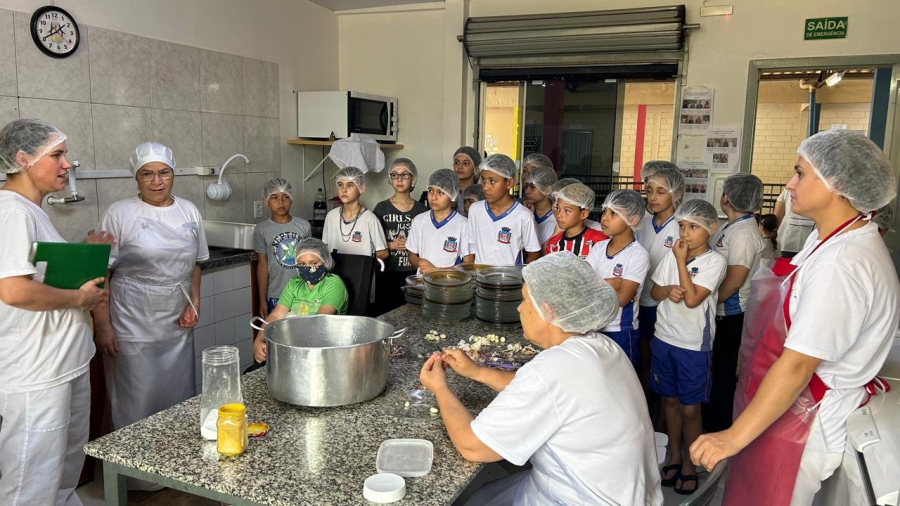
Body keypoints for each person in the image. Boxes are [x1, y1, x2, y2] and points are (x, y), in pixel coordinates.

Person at [690, 130, 900, 505]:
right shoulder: (830, 242)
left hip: (801, 423)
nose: (789, 184)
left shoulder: (842, 263)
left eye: (800, 173)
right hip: (780, 410)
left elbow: (799, 364)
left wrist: (733, 436)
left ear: (836, 182)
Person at [419, 251, 663, 505]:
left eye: (525, 299)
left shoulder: (554, 368)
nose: (519, 307)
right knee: (481, 496)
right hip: (617, 491)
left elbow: (472, 446)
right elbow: (537, 389)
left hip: (583, 498)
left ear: (547, 311)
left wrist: (440, 389)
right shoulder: (602, 345)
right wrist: (477, 372)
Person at [0, 119, 111, 506]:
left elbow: (40, 273)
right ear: (23, 159)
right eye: (58, 156)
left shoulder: (33, 211)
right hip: (36, 372)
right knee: (31, 480)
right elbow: (13, 290)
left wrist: (84, 252)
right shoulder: (11, 211)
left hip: (63, 363)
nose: (67, 164)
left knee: (62, 473)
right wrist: (79, 300)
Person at [93, 141, 208, 490]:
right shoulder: (120, 213)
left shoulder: (189, 211)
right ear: (137, 178)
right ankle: (133, 479)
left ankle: (173, 468)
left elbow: (197, 262)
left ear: (174, 175)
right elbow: (102, 272)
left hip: (175, 317)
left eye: (163, 173)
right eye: (147, 174)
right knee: (134, 397)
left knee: (176, 394)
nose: (156, 181)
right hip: (131, 316)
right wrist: (103, 325)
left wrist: (195, 301)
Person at [651, 199, 727, 495]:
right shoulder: (673, 255)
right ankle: (674, 455)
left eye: (693, 226)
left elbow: (694, 299)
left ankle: (689, 464)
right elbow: (655, 291)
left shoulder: (714, 262)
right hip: (664, 338)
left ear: (711, 229)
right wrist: (668, 290)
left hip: (692, 345)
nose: (685, 232)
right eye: (682, 225)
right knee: (669, 402)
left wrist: (681, 262)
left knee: (690, 408)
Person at [704, 173, 767, 434]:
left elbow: (736, 277)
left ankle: (718, 426)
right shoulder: (734, 226)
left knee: (722, 371)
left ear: (726, 197)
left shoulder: (743, 233)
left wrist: (707, 302)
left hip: (729, 314)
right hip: (719, 310)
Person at [253, 238, 348, 362]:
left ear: (326, 262)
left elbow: (319, 321)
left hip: (323, 351)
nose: (308, 268)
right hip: (292, 346)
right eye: (302, 264)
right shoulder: (294, 283)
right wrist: (259, 340)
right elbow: (276, 315)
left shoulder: (334, 284)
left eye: (314, 263)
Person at [586, 189, 649, 370]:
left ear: (633, 220)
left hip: (620, 330)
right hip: (595, 327)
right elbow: (581, 284)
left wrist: (595, 283)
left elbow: (622, 299)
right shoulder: (599, 247)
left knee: (624, 383)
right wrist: (613, 282)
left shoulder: (638, 255)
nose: (604, 218)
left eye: (613, 213)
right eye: (605, 211)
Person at [636, 166, 685, 391]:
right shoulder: (643, 224)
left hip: (665, 302)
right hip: (640, 298)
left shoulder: (681, 228)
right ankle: (646, 399)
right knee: (644, 354)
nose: (652, 197)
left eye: (661, 192)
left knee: (663, 359)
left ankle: (664, 411)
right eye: (649, 190)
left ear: (676, 194)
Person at [373, 158, 427, 314]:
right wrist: (391, 245)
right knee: (387, 312)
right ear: (390, 179)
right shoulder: (382, 208)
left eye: (405, 175)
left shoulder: (421, 210)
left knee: (412, 312)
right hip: (388, 270)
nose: (399, 179)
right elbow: (373, 241)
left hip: (413, 271)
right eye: (395, 175)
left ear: (413, 179)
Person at [467, 154, 542, 266]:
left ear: (510, 183)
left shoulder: (523, 215)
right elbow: (472, 246)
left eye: (492, 181)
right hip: (480, 280)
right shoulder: (475, 209)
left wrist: (518, 277)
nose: (485, 187)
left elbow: (533, 254)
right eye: (483, 180)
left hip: (509, 281)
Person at [254, 177, 311, 318]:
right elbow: (262, 266)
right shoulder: (261, 230)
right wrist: (262, 300)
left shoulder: (304, 226)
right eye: (274, 197)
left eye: (285, 197)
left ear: (291, 200)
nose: (281, 202)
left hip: (303, 292)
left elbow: (311, 261)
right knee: (278, 336)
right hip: (275, 294)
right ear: (266, 202)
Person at [408, 169, 474, 274]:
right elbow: (412, 255)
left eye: (440, 192)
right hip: (422, 284)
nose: (433, 197)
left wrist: (436, 271)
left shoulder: (463, 225)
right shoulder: (419, 220)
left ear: (452, 195)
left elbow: (468, 263)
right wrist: (419, 261)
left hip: (451, 285)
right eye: (430, 191)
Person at [321, 166, 388, 259]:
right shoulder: (331, 216)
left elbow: (383, 253)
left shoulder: (370, 219)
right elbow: (325, 247)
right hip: (335, 273)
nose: (344, 190)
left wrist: (363, 263)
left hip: (360, 272)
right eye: (340, 184)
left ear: (360, 188)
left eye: (350, 185)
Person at [545, 182, 607, 259]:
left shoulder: (600, 241)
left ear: (583, 214)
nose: (559, 214)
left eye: (567, 210)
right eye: (558, 208)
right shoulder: (553, 243)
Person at [774, 184, 815, 258]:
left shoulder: (788, 190)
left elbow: (777, 216)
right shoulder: (822, 190)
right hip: (810, 243)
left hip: (785, 240)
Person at [522, 165, 558, 245]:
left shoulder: (558, 219)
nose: (526, 191)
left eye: (532, 187)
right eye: (526, 186)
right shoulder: (524, 214)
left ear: (548, 190)